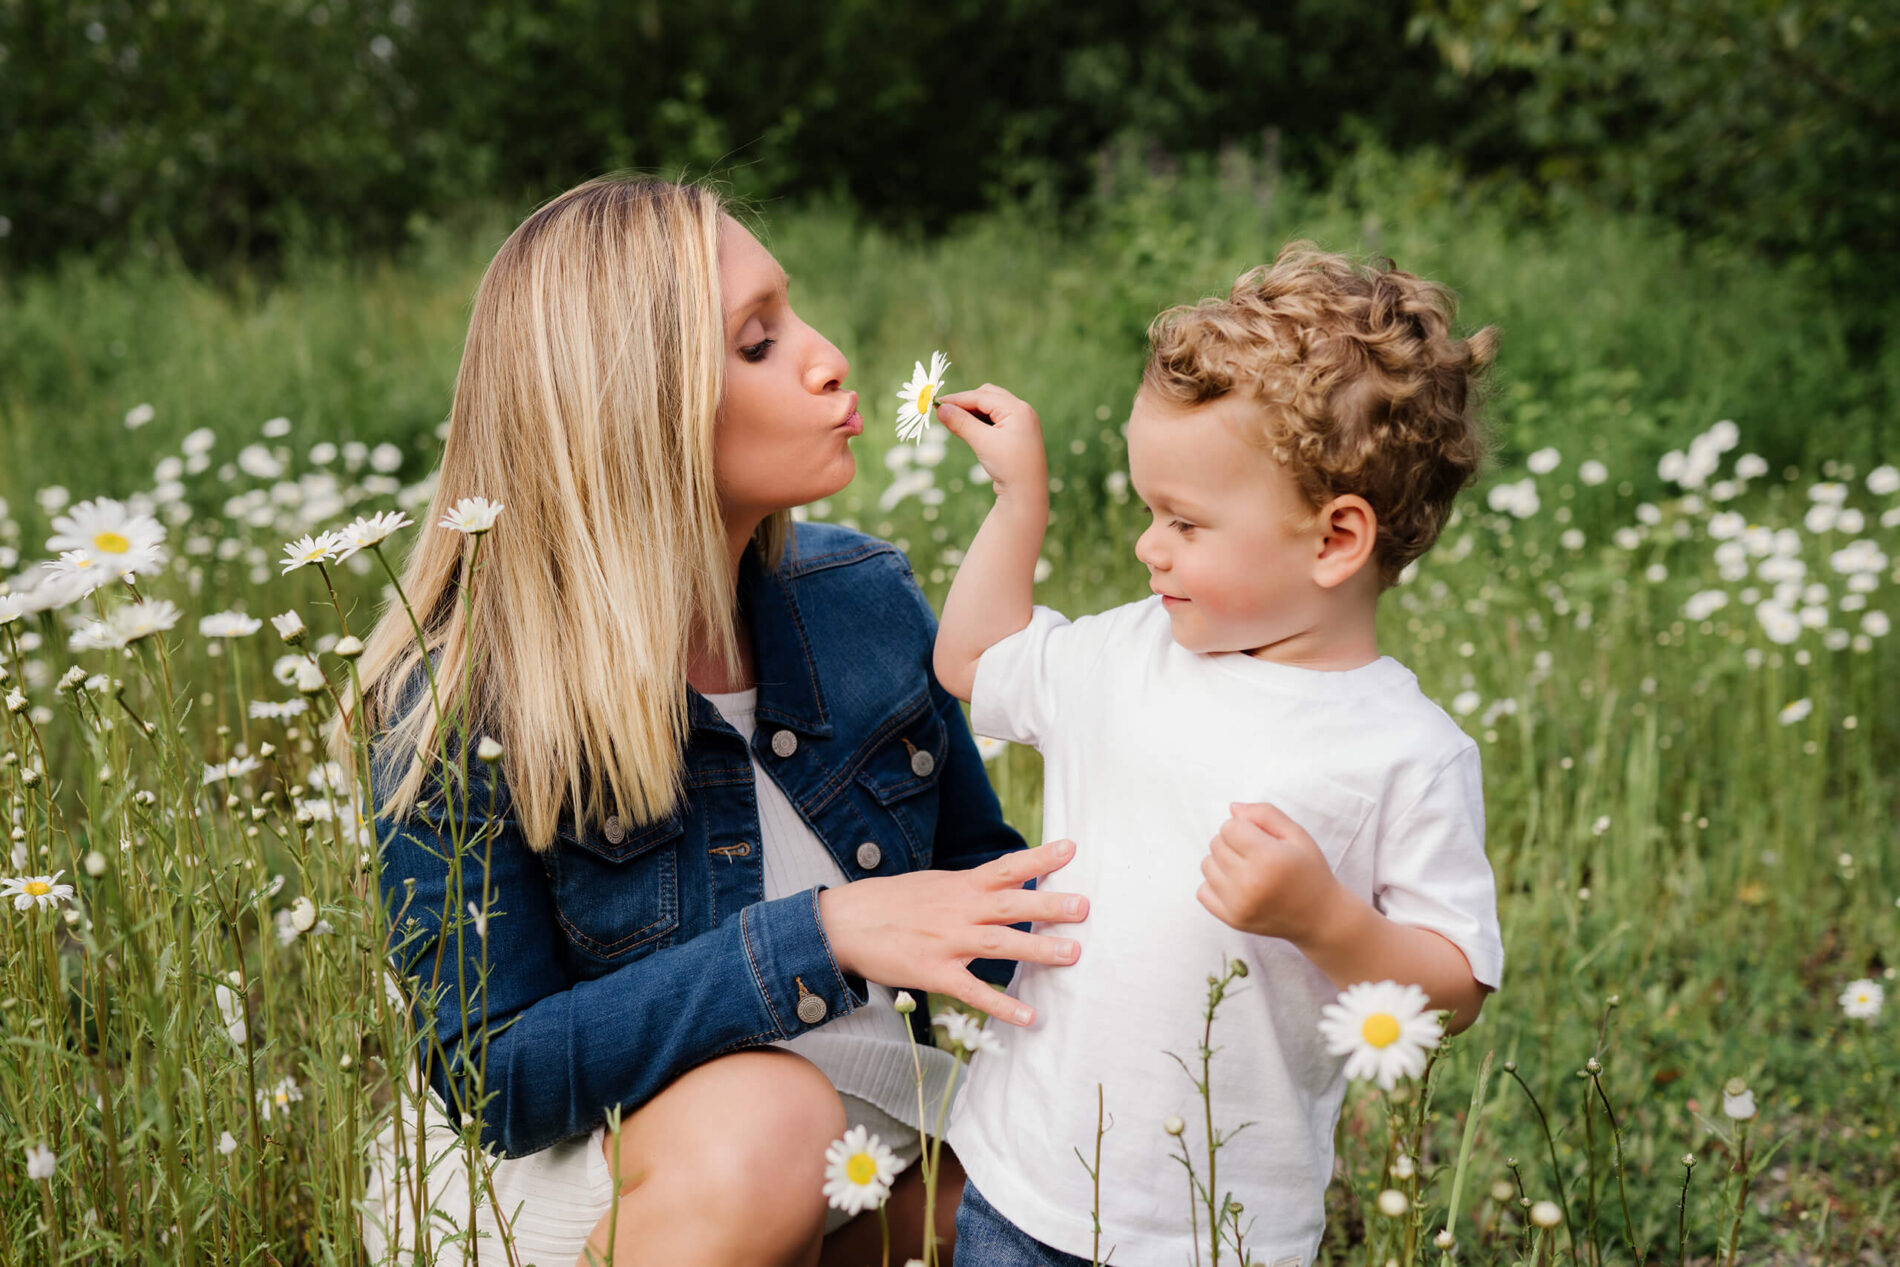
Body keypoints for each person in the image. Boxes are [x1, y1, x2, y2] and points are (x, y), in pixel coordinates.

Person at [350, 175, 1090, 1267]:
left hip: (858, 1134)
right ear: (630, 407)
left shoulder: (864, 599)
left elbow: (981, 893)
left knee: (1079, 1183)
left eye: (791, 313)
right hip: (579, 1182)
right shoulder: (463, 695)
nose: (827, 355)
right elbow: (494, 1078)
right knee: (765, 1121)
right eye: (757, 343)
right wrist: (823, 933)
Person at [928, 244, 1507, 1266]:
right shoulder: (1125, 650)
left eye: (1184, 521)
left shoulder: (1405, 751)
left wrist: (1325, 920)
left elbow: (1453, 989)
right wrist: (1018, 503)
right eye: (1154, 513)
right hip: (1023, 1180)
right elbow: (972, 659)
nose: (1151, 548)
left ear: (1335, 539)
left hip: (1216, 1221)